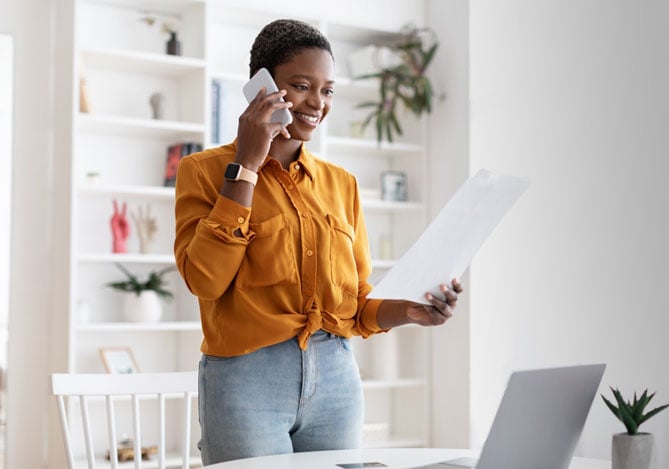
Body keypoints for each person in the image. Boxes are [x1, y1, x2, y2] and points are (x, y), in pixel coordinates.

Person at [173, 19, 463, 465]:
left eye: (327, 90)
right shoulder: (204, 171)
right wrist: (247, 165)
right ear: (261, 88)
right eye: (302, 85)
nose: (316, 103)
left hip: (336, 377)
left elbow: (358, 303)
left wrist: (410, 311)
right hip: (245, 378)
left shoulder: (340, 183)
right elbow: (206, 280)